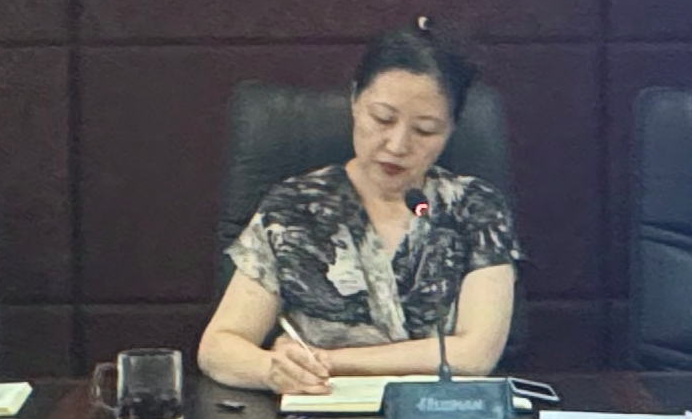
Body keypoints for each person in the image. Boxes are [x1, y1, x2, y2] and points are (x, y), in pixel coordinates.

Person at [199, 23, 521, 395]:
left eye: (425, 130)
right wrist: (273, 369)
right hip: (320, 417)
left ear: (451, 129)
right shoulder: (296, 207)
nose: (397, 145)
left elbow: (475, 355)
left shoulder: (475, 208)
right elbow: (218, 347)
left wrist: (327, 361)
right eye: (382, 119)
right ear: (354, 100)